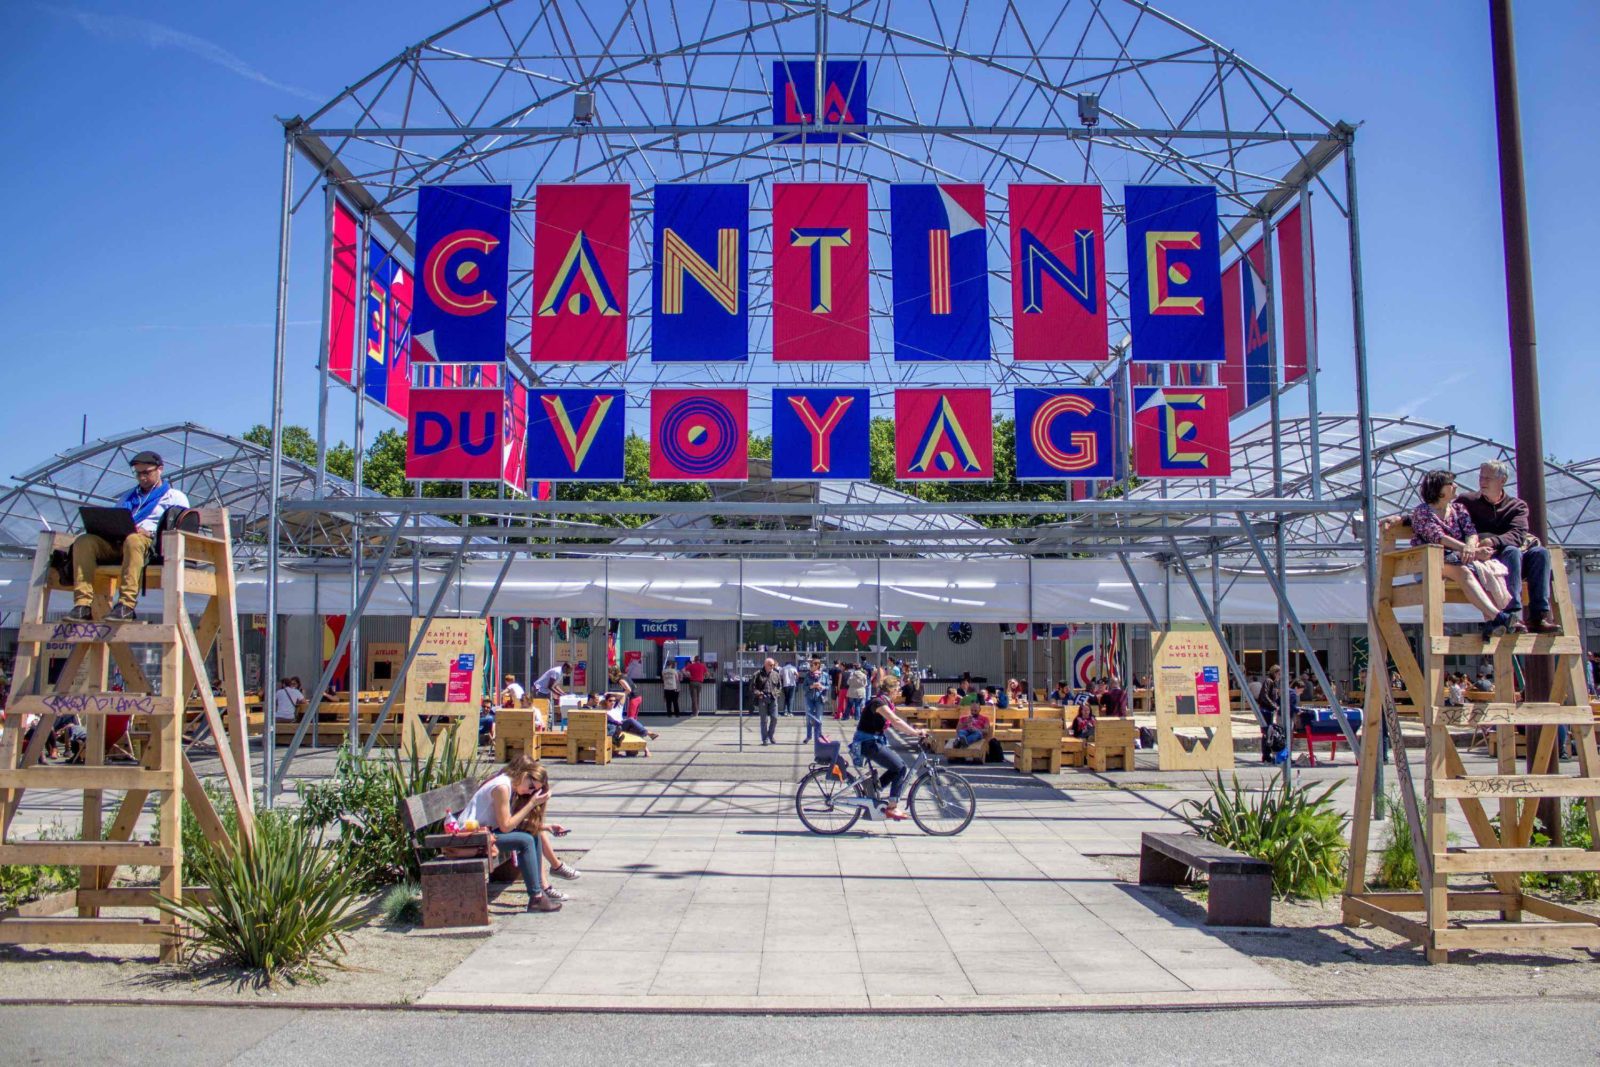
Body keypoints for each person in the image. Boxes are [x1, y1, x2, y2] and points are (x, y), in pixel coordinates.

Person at [64, 450, 190, 624]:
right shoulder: (127, 497)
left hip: (148, 545)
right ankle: (83, 605)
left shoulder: (174, 497)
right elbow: (117, 518)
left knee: (134, 539)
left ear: (160, 469)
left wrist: (151, 533)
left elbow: (181, 529)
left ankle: (126, 605)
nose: (142, 478)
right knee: (84, 541)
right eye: (138, 474)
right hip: (118, 541)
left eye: (147, 472)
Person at [1400, 469, 1515, 639]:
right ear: (1439, 488)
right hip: (1430, 562)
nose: (1455, 486)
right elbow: (1438, 537)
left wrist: (1470, 546)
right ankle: (1498, 616)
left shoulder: (1458, 509)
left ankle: (1493, 620)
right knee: (1464, 572)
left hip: (1457, 559)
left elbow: (1471, 532)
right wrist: (1470, 550)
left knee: (1486, 571)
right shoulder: (1422, 512)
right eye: (1450, 483)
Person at [1459, 459, 1558, 634]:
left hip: (1511, 559)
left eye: (1488, 478)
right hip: (1486, 561)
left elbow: (1518, 534)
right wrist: (1404, 519)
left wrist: (1493, 541)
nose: (1482, 482)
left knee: (1540, 553)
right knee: (1512, 551)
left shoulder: (1517, 506)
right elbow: (1440, 512)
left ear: (1502, 480)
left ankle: (1538, 616)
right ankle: (1511, 613)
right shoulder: (1468, 501)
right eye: (1481, 477)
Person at [455, 755, 561, 913]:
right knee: (525, 841)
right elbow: (506, 826)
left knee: (532, 834)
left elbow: (506, 823)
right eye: (531, 786)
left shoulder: (508, 784)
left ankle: (538, 892)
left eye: (534, 790)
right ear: (524, 774)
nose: (529, 792)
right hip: (471, 837)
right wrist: (532, 803)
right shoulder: (502, 787)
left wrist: (545, 826)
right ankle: (536, 897)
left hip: (485, 833)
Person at [851, 682, 928, 821]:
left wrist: (913, 729)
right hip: (868, 743)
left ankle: (874, 789)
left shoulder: (885, 702)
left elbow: (898, 723)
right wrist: (916, 733)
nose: (899, 691)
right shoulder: (878, 703)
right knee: (900, 767)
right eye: (898, 688)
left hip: (873, 741)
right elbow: (896, 721)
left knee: (896, 767)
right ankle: (892, 807)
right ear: (890, 689)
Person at [751, 657, 783, 745]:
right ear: (765, 664)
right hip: (762, 699)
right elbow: (753, 687)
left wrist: (776, 693)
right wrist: (759, 694)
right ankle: (765, 739)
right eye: (770, 665)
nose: (772, 667)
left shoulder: (776, 674)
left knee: (775, 718)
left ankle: (770, 735)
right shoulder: (757, 674)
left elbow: (779, 687)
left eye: (773, 665)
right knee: (764, 720)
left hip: (773, 698)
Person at [1258, 665, 1282, 762]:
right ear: (1275, 673)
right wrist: (1274, 706)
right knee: (1266, 733)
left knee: (1269, 733)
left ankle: (1267, 755)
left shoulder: (1273, 682)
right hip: (1266, 710)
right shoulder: (1269, 681)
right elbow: (1264, 695)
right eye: (1279, 674)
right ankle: (1266, 755)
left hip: (1269, 710)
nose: (1280, 676)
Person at [802, 657, 829, 743]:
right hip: (809, 698)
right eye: (810, 665)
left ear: (818, 666)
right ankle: (809, 736)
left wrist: (822, 687)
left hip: (819, 698)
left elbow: (828, 686)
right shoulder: (807, 675)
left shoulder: (825, 675)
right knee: (809, 718)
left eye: (812, 665)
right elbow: (804, 687)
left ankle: (818, 736)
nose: (810, 666)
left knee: (819, 718)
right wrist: (811, 686)